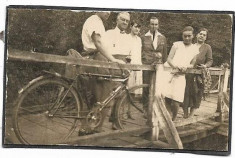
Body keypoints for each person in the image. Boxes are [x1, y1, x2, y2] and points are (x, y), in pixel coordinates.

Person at [163, 26, 199, 121]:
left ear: (193, 36)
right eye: (185, 36)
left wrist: (186, 67)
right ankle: (167, 117)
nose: (187, 38)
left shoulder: (195, 49)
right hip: (169, 72)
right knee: (165, 96)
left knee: (176, 99)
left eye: (189, 36)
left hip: (181, 75)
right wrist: (176, 66)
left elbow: (192, 64)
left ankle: (173, 119)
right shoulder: (176, 45)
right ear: (182, 36)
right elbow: (169, 59)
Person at [183, 28, 213, 118]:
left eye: (204, 35)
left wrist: (205, 66)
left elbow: (210, 60)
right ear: (196, 35)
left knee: (196, 94)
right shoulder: (191, 45)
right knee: (186, 93)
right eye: (200, 34)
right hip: (188, 74)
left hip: (198, 75)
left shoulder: (207, 47)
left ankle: (190, 117)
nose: (202, 36)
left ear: (206, 38)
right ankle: (185, 114)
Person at [141, 17, 167, 113]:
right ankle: (145, 108)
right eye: (152, 24)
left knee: (157, 87)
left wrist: (161, 64)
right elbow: (141, 52)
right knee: (146, 87)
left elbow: (165, 55)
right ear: (149, 25)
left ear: (158, 25)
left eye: (156, 24)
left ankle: (155, 108)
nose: (154, 26)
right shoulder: (144, 37)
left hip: (158, 66)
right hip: (147, 65)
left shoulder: (162, 37)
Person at [128, 21, 142, 91]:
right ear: (131, 27)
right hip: (129, 65)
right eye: (135, 27)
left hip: (138, 64)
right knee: (129, 85)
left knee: (137, 88)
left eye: (139, 27)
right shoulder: (126, 37)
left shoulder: (139, 40)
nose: (137, 29)